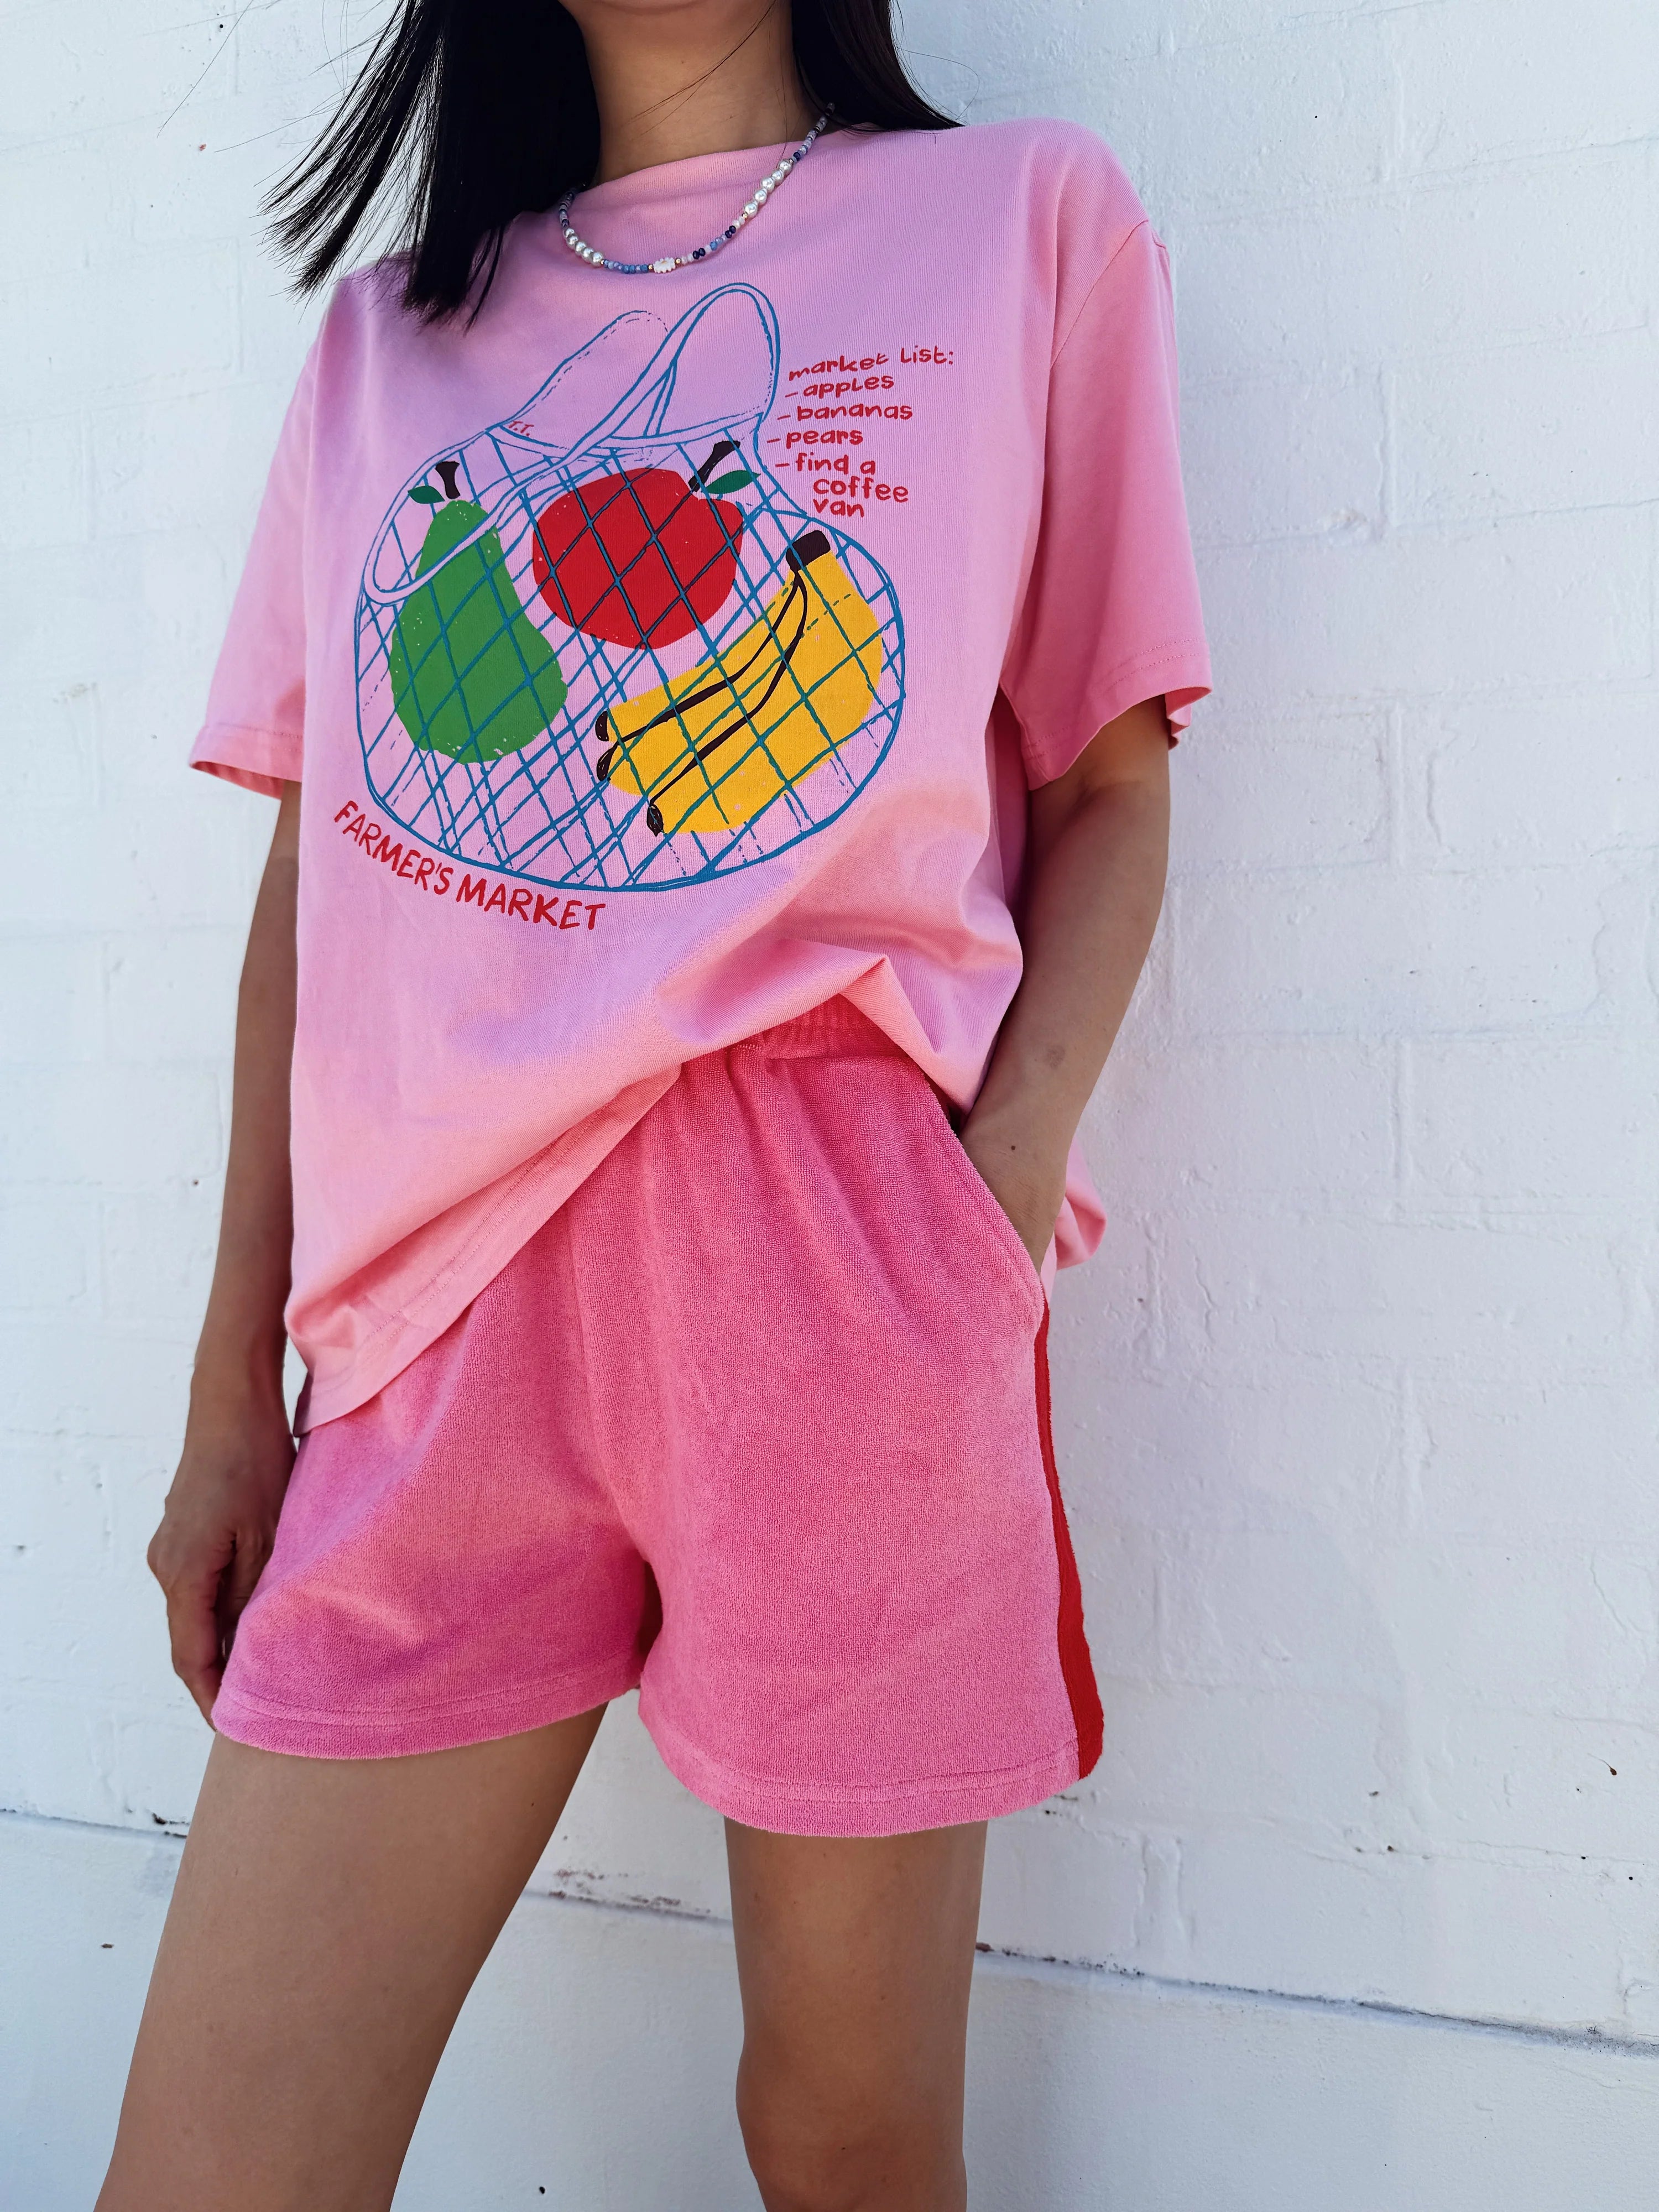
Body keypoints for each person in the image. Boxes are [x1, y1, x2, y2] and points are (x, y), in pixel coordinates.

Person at [97, 1, 1209, 2204]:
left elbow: (1110, 783)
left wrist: (977, 1210)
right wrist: (234, 1392)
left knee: (842, 2133)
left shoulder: (1019, 221)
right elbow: (312, 882)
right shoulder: (387, 341)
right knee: (219, 2167)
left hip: (834, 1271)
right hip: (429, 1328)